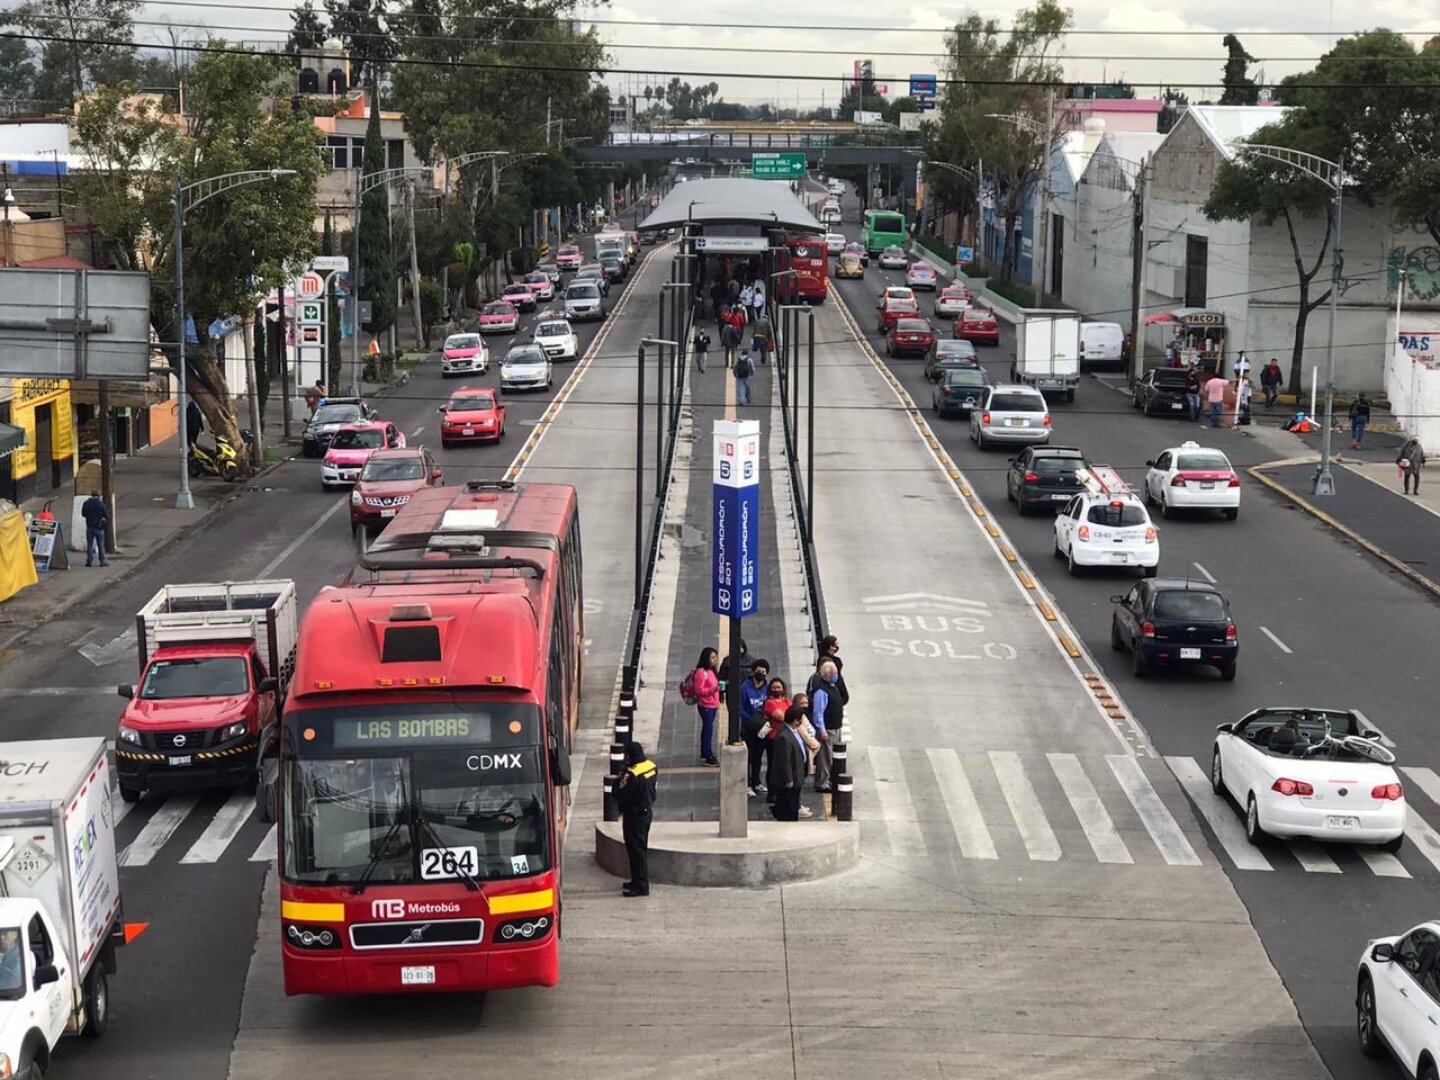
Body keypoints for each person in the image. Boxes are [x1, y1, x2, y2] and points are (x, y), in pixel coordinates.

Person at [614, 742, 658, 897]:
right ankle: (636, 880)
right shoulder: (651, 765)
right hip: (646, 812)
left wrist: (621, 775)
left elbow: (619, 793)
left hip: (634, 815)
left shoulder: (632, 773)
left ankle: (641, 885)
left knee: (636, 850)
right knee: (640, 847)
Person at [768, 706, 810, 822]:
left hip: (798, 775)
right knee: (788, 809)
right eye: (799, 719)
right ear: (795, 720)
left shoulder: (794, 731)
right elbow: (784, 760)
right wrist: (789, 779)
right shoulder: (784, 736)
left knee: (793, 806)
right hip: (789, 780)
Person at [739, 658, 772, 796]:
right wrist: (750, 720)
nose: (762, 674)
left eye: (764, 672)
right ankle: (746, 784)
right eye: (759, 671)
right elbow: (740, 708)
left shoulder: (767, 688)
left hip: (763, 728)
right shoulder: (744, 688)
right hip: (749, 727)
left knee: (758, 756)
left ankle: (756, 782)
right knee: (748, 756)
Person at [809, 659, 842, 793]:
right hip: (827, 729)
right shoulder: (821, 691)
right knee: (825, 758)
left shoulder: (832, 686)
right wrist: (822, 730)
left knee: (831, 756)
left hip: (835, 727)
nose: (836, 675)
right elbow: (818, 713)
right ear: (827, 675)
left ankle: (827, 779)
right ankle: (823, 782)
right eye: (834, 673)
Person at [692, 647, 720, 767]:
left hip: (713, 704)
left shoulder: (712, 671)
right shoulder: (701, 672)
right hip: (706, 705)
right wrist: (713, 690)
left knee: (708, 728)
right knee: (708, 729)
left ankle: (705, 752)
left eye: (716, 657)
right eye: (712, 657)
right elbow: (699, 690)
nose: (715, 660)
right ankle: (707, 753)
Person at [81, 490, 109, 568]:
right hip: (99, 527)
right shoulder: (101, 504)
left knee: (89, 544)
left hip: (89, 527)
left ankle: (89, 560)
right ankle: (102, 561)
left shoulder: (86, 503)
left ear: (92, 495)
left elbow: (83, 514)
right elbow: (106, 515)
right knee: (100, 544)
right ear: (98, 495)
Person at [0, 928, 22, 993]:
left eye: (4, 934)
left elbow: (10, 985)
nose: (1, 938)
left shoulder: (19, 959)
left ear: (15, 934)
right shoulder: (6, 954)